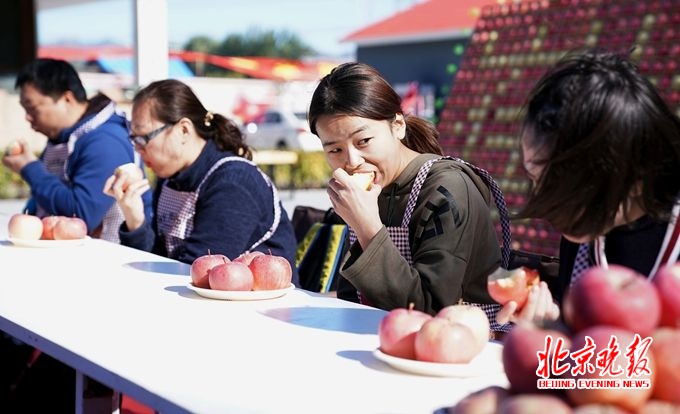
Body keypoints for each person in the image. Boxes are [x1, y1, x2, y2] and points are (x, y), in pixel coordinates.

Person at [308, 62, 512, 333]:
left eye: (363, 141)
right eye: (334, 150)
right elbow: (352, 297)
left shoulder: (448, 188)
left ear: (398, 126)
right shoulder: (370, 189)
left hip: (467, 347)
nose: (352, 161)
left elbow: (431, 310)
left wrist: (368, 227)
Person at [517, 48, 680, 306]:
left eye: (562, 186)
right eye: (535, 178)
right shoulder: (584, 234)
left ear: (638, 176)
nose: (543, 200)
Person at [103, 79, 299, 284]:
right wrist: (135, 219)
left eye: (144, 138)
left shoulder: (233, 183)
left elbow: (197, 275)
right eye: (134, 139)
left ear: (184, 130)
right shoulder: (172, 177)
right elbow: (159, 261)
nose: (137, 148)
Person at [2, 58, 151, 243]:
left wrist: (30, 168)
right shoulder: (64, 136)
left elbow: (80, 217)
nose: (28, 118)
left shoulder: (105, 141)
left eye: (32, 108)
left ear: (67, 99)